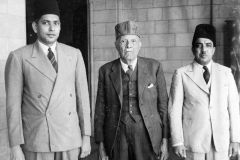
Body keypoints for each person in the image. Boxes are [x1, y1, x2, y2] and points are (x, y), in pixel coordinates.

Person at [4, 0, 91, 159]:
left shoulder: (74, 54)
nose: (52, 28)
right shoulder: (19, 57)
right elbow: (13, 107)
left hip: (70, 138)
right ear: (35, 27)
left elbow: (83, 100)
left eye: (56, 23)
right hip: (38, 140)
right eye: (45, 23)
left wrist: (86, 137)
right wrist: (15, 147)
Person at [94, 20, 169, 160]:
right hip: (116, 136)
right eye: (123, 41)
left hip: (148, 134)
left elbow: (163, 107)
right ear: (116, 45)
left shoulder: (154, 67)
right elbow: (100, 110)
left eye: (133, 41)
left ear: (140, 44)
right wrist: (101, 144)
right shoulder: (105, 71)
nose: (129, 46)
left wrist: (165, 140)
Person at [168, 24, 240, 160]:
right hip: (193, 142)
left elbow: (234, 109)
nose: (203, 50)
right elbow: (174, 111)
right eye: (199, 45)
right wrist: (177, 142)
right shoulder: (182, 74)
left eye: (208, 45)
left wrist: (235, 139)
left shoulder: (226, 73)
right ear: (192, 49)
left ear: (213, 49)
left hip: (221, 142)